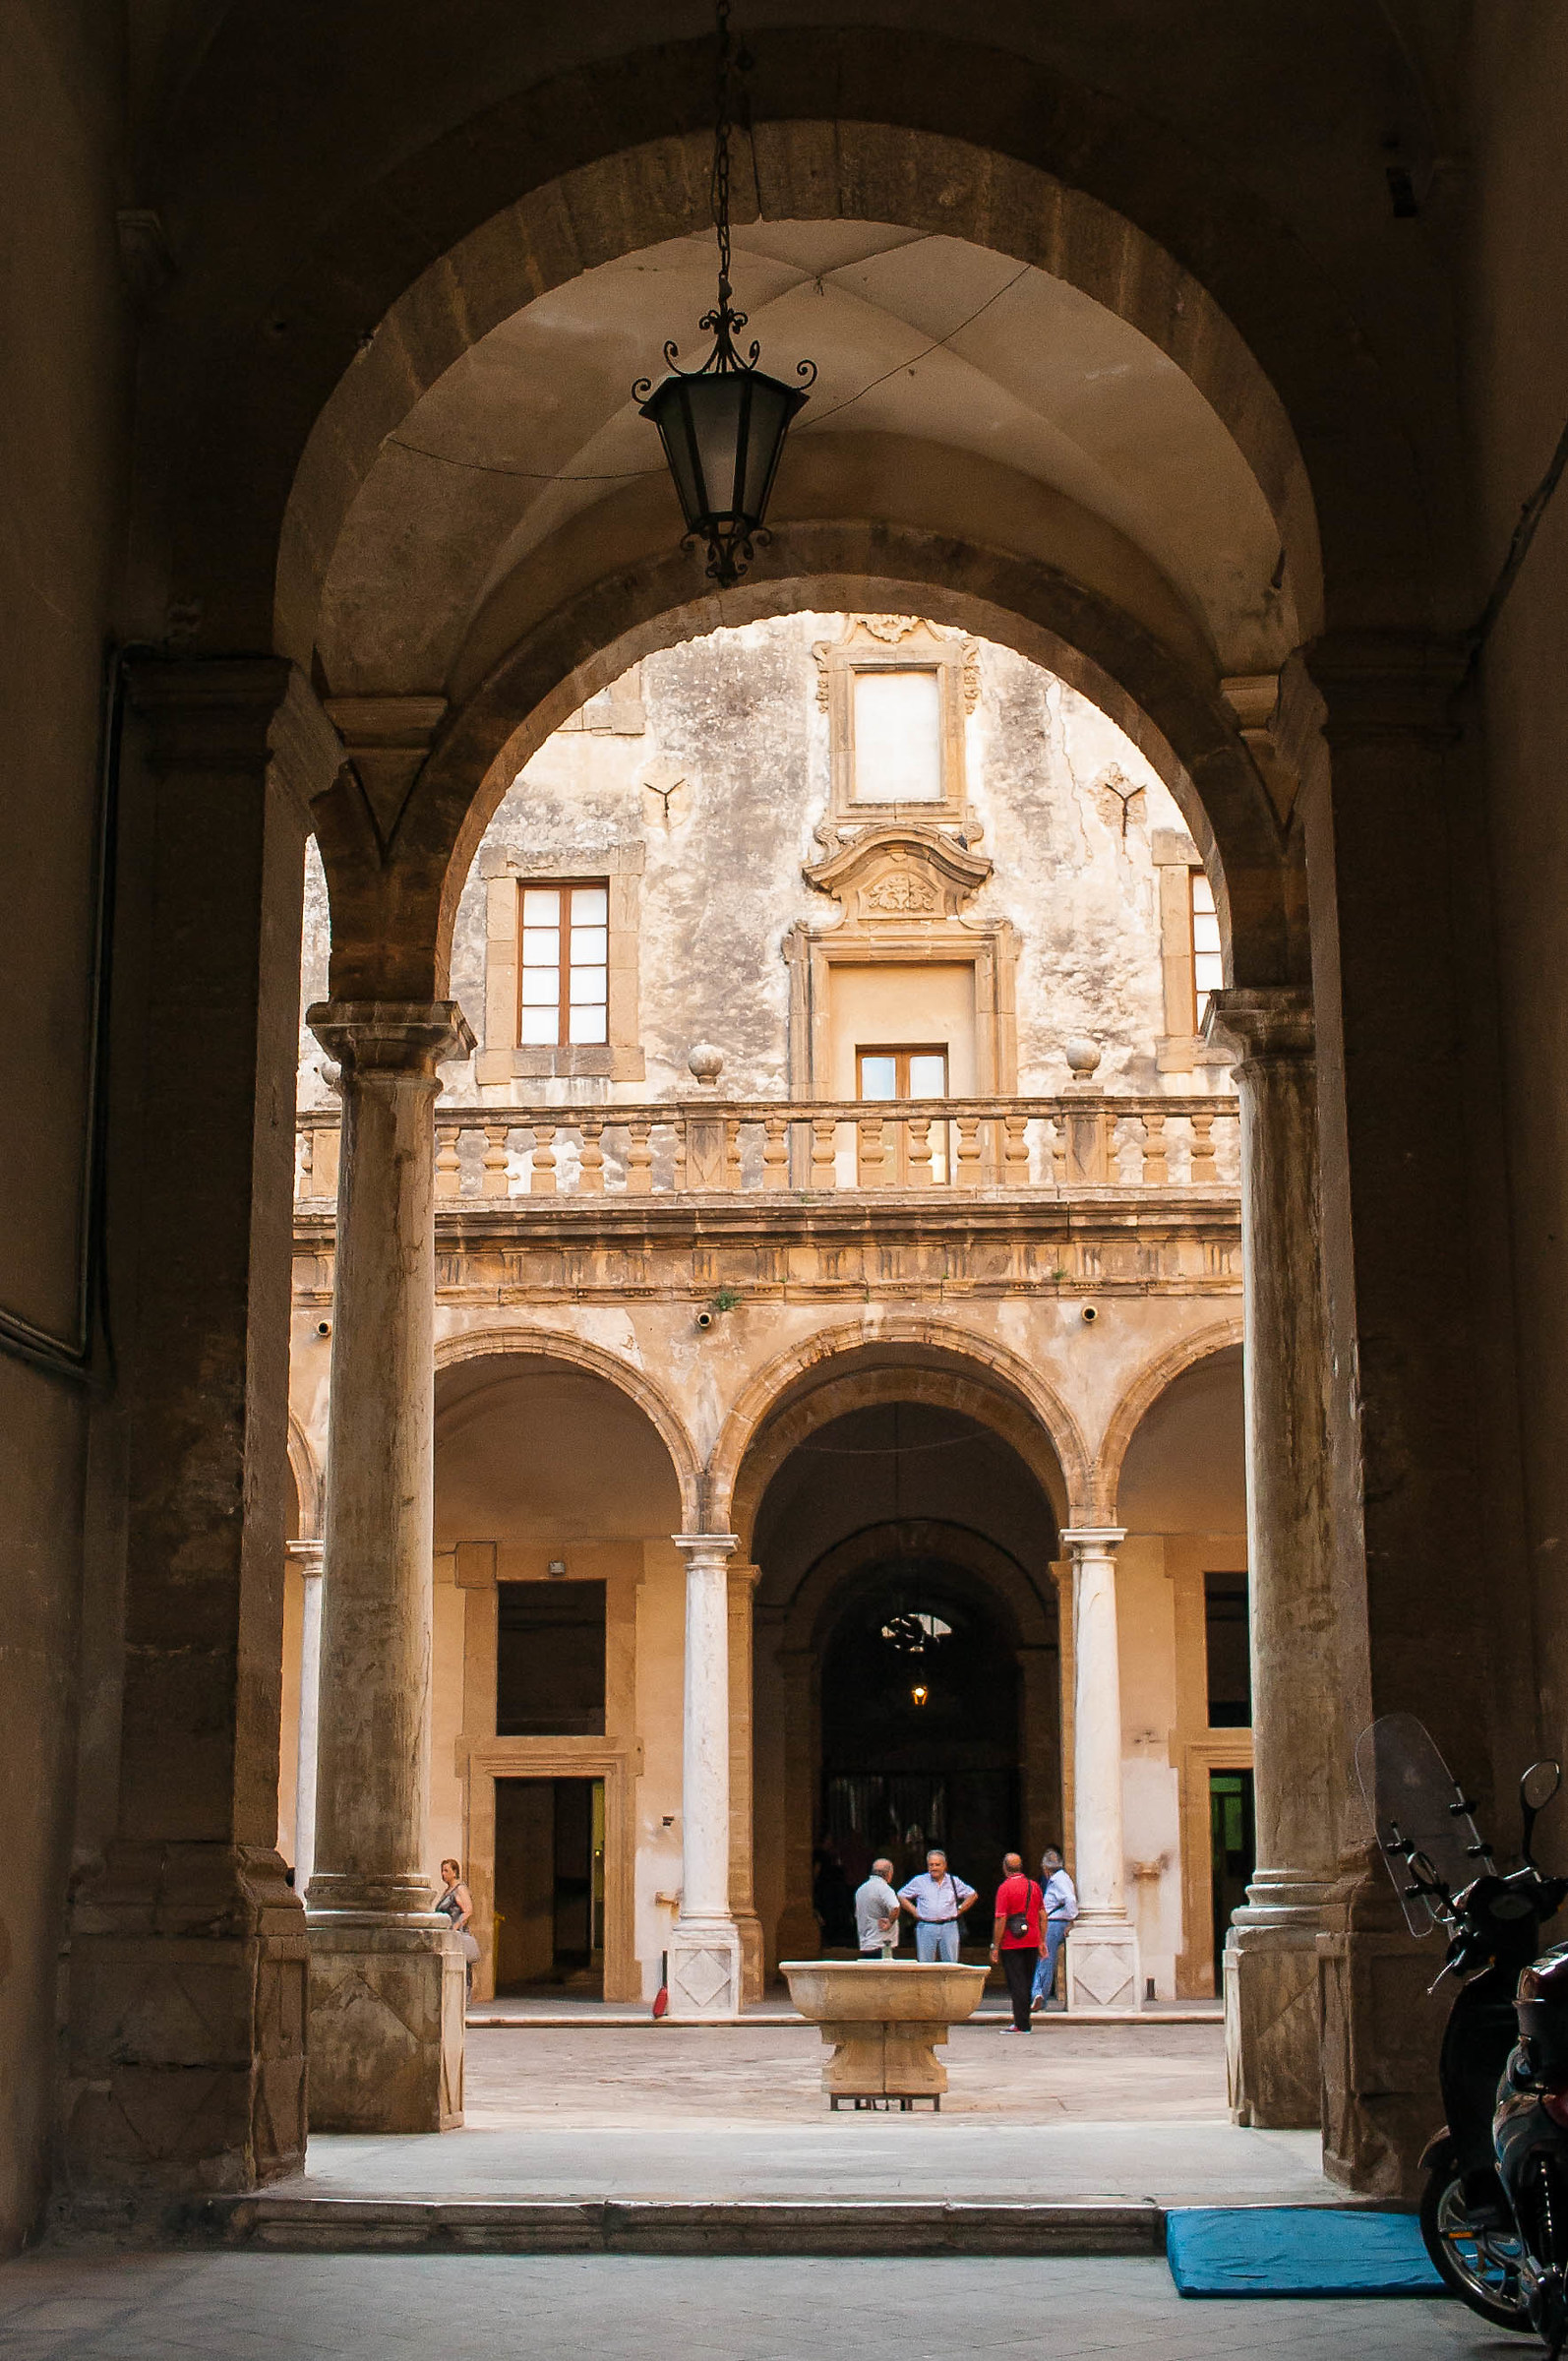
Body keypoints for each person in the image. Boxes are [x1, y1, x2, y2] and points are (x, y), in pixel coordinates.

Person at [990, 1851, 1042, 2030]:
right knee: (1027, 1981)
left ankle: (1021, 2023)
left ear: (1005, 1868)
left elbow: (1001, 1918)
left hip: (1012, 1941)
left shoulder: (1005, 1888)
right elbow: (1043, 1914)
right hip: (1032, 1939)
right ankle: (1025, 2020)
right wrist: (1042, 1941)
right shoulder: (1033, 1886)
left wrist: (995, 1945)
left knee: (1016, 1982)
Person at [898, 1847, 977, 1963]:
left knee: (950, 1964)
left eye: (937, 1865)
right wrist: (915, 1912)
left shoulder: (954, 1881)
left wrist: (959, 1910)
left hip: (949, 1926)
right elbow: (901, 1895)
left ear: (944, 1865)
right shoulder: (919, 1881)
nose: (934, 1868)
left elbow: (972, 1895)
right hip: (926, 1926)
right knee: (925, 1964)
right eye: (931, 1865)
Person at [1032, 1846, 1077, 2012]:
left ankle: (1037, 1994)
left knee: (1043, 1958)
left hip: (1054, 1923)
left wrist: (1072, 1918)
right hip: (1056, 1922)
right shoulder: (1061, 1878)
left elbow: (1070, 1900)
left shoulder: (1058, 1880)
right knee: (1046, 1959)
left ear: (1045, 1868)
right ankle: (1039, 1995)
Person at [437, 1857, 481, 1989]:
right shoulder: (447, 1890)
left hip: (456, 1934)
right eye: (442, 1871)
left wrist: (455, 1927)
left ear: (454, 1872)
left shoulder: (459, 1889)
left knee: (462, 1966)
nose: (443, 1874)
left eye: (446, 1870)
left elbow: (468, 1911)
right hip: (447, 1933)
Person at [855, 1857, 902, 1958]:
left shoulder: (861, 1889)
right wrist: (889, 1922)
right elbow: (895, 1907)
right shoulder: (884, 1888)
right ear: (889, 1873)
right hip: (882, 1943)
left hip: (866, 1942)